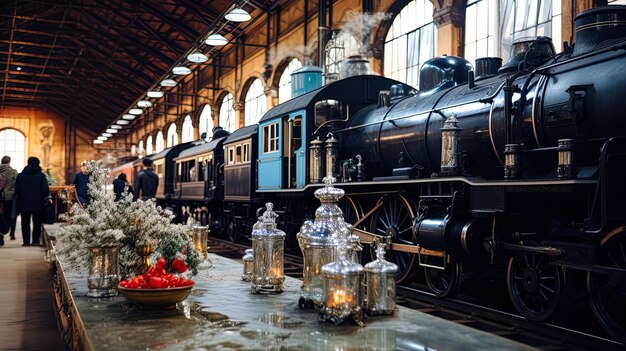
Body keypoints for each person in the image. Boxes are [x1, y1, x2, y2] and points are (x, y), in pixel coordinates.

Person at [14, 157, 51, 246]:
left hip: (24, 203)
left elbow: (16, 190)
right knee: (37, 223)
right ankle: (35, 241)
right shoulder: (41, 176)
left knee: (25, 223)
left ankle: (26, 242)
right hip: (38, 203)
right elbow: (45, 190)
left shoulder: (20, 176)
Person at [0, 156, 18, 243]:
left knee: (2, 215)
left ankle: (1, 234)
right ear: (9, 162)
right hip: (11, 197)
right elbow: (17, 184)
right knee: (12, 216)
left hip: (1, 197)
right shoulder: (13, 172)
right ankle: (12, 234)